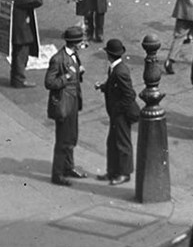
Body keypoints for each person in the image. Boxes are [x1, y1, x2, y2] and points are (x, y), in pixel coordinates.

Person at [46, 26, 90, 185]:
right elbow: (49, 82)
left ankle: (68, 166)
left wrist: (79, 72)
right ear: (75, 43)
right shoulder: (58, 59)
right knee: (63, 140)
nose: (82, 44)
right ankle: (57, 175)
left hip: (73, 101)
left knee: (71, 136)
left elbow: (74, 72)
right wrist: (67, 76)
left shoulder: (74, 55)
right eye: (80, 42)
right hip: (63, 103)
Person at [97, 38, 138, 185]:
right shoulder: (115, 68)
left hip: (120, 113)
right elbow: (112, 85)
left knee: (122, 143)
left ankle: (124, 173)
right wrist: (103, 87)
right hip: (116, 113)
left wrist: (117, 109)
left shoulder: (120, 71)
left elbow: (130, 95)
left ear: (109, 55)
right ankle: (113, 171)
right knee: (113, 142)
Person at [6, 0, 44, 88]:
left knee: (17, 56)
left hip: (16, 31)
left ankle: (15, 79)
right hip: (22, 32)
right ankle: (19, 80)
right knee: (21, 57)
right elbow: (38, 1)